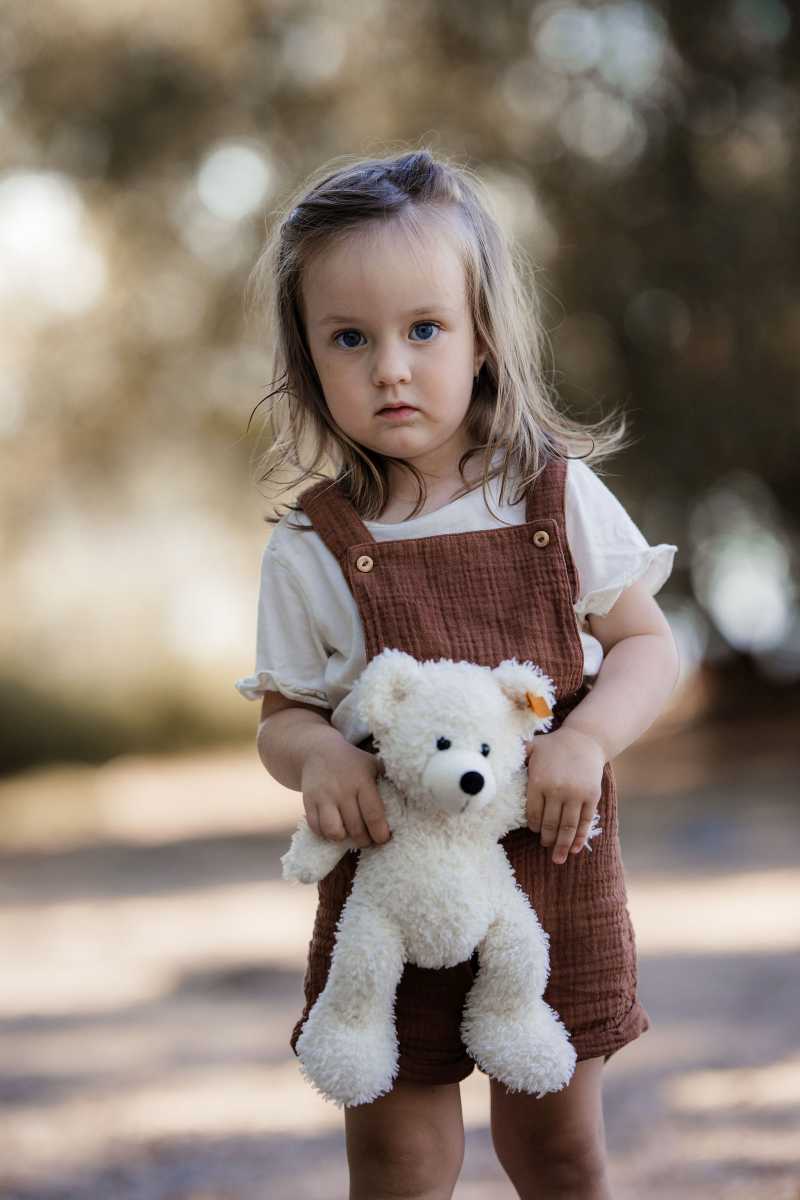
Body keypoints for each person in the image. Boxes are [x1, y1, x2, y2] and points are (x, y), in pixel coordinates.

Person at [236, 149, 679, 1200]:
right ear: (307, 357)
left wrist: (583, 738)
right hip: (388, 888)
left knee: (557, 1149)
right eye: (350, 337)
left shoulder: (551, 498)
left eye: (422, 329)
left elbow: (646, 646)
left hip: (550, 870)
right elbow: (280, 719)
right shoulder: (313, 545)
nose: (390, 366)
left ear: (483, 337)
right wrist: (315, 758)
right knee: (396, 1160)